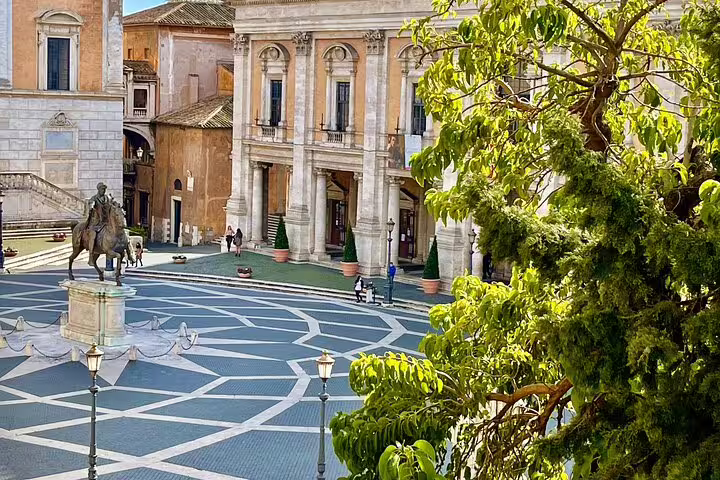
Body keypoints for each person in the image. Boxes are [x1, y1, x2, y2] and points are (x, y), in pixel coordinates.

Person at [85, 182, 112, 265]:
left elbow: (110, 206)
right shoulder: (94, 198)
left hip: (106, 221)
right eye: (102, 189)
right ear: (98, 189)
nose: (103, 190)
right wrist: (91, 206)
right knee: (93, 236)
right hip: (96, 223)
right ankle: (90, 256)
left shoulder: (107, 198)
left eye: (104, 189)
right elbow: (90, 204)